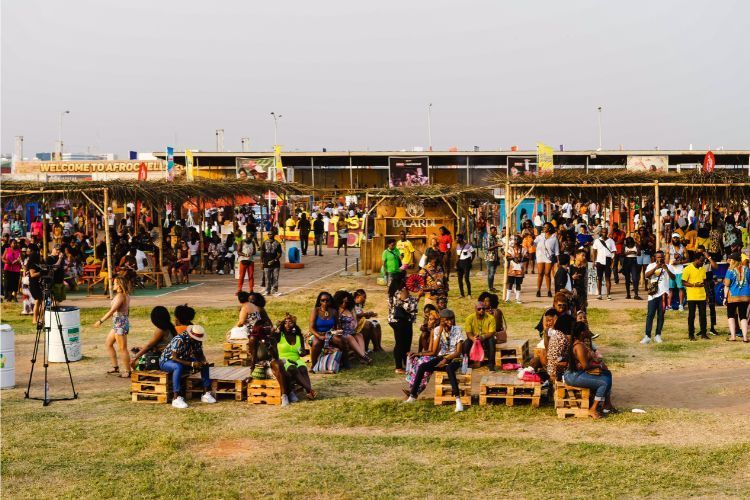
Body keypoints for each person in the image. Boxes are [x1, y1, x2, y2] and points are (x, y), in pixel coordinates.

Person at [403, 308, 466, 412]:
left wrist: (446, 360)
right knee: (423, 366)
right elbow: (434, 351)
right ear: (442, 320)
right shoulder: (437, 330)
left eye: (452, 319)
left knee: (450, 368)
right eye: (447, 320)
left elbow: (458, 352)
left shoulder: (458, 329)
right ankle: (413, 396)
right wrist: (440, 332)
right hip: (441, 357)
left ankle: (458, 401)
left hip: (455, 358)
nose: (450, 322)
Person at [563, 324, 615, 419]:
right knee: (604, 382)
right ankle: (593, 409)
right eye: (586, 329)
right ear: (582, 332)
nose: (588, 331)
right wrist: (598, 365)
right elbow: (585, 366)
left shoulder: (581, 343)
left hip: (578, 373)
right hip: (573, 376)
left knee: (608, 374)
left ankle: (607, 404)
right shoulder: (579, 346)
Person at [159, 324, 216, 409]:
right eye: (196, 338)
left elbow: (199, 353)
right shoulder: (179, 339)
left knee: (205, 365)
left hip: (184, 360)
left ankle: (205, 393)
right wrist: (191, 364)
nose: (198, 340)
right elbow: (174, 358)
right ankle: (176, 397)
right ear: (191, 335)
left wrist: (203, 361)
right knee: (178, 367)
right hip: (167, 361)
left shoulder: (197, 340)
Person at [93, 273, 133, 378]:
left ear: (119, 285)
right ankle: (115, 367)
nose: (112, 284)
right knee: (108, 343)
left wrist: (100, 321)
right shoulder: (123, 295)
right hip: (119, 322)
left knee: (122, 348)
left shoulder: (121, 296)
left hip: (120, 322)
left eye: (114, 283)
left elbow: (112, 310)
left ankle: (128, 371)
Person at [275, 313, 316, 400]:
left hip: (297, 359)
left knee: (303, 369)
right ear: (283, 324)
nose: (288, 324)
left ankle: (309, 392)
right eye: (285, 322)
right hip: (284, 359)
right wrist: (276, 326)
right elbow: (271, 335)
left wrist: (302, 352)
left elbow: (303, 353)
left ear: (294, 324)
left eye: (290, 322)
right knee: (292, 368)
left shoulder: (298, 336)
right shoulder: (279, 335)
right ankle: (310, 390)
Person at [641, 250, 675, 344]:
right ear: (655, 258)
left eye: (662, 257)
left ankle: (658, 335)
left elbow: (673, 278)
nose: (661, 258)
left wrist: (666, 269)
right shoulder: (651, 265)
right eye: (659, 257)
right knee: (650, 315)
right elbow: (646, 275)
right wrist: (656, 267)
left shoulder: (668, 266)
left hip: (664, 294)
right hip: (653, 294)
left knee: (661, 315)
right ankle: (647, 336)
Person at [130, 306, 177, 371]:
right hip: (169, 355)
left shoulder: (160, 330)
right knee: (141, 352)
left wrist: (135, 357)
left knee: (136, 362)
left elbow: (149, 346)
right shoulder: (170, 326)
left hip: (163, 357)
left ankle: (142, 373)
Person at [388, 279, 419, 373]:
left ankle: (403, 365)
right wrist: (417, 298)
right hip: (402, 321)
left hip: (395, 320)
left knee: (400, 343)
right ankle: (399, 366)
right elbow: (409, 307)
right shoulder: (403, 290)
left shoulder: (393, 291)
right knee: (403, 344)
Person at [334, 290, 372, 365]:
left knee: (359, 335)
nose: (344, 304)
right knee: (349, 337)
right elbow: (337, 326)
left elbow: (354, 322)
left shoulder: (350, 310)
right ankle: (364, 356)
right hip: (343, 333)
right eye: (343, 302)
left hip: (351, 331)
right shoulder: (336, 311)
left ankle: (361, 356)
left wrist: (353, 312)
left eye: (346, 302)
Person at [309, 291, 346, 368]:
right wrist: (319, 336)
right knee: (316, 344)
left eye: (327, 300)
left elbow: (338, 325)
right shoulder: (316, 311)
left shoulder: (334, 311)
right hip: (318, 333)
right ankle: (314, 365)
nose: (325, 302)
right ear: (319, 301)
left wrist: (338, 331)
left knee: (341, 341)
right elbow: (311, 328)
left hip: (330, 333)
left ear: (330, 301)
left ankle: (345, 362)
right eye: (323, 300)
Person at [463, 301, 497, 371]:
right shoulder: (469, 318)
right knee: (466, 343)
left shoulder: (491, 318)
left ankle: (491, 364)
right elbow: (468, 332)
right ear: (475, 309)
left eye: (483, 309)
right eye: (479, 309)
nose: (481, 310)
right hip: (474, 338)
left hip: (486, 337)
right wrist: (473, 339)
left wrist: (483, 337)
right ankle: (467, 363)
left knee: (492, 341)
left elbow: (491, 332)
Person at [723, 252, 749, 342]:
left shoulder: (730, 270)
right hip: (745, 296)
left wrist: (725, 298)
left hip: (733, 296)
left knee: (731, 315)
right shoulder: (746, 269)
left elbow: (727, 284)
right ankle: (745, 338)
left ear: (733, 261)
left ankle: (733, 336)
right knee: (743, 316)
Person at [682, 253, 709, 341]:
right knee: (691, 316)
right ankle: (691, 335)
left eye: (704, 261)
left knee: (703, 316)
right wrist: (694, 285)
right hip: (692, 296)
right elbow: (683, 282)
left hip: (702, 296)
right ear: (696, 259)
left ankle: (704, 333)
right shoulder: (687, 269)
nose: (702, 263)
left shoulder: (702, 269)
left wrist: (707, 295)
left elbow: (705, 282)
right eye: (701, 261)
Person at [534, 223, 559, 298]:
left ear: (550, 228)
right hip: (540, 256)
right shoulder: (540, 236)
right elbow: (534, 243)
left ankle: (549, 291)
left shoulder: (554, 238)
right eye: (543, 227)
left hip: (549, 257)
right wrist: (531, 241)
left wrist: (558, 261)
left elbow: (557, 250)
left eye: (546, 227)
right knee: (540, 273)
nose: (544, 228)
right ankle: (538, 290)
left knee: (547, 273)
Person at [592, 229, 616, 300]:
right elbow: (594, 251)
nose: (604, 233)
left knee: (608, 278)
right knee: (599, 278)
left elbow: (614, 251)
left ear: (607, 233)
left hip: (608, 260)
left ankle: (608, 294)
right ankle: (599, 294)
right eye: (603, 232)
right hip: (599, 261)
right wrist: (594, 261)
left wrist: (613, 261)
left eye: (606, 232)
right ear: (601, 233)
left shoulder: (611, 241)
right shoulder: (597, 241)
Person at [667, 233, 687, 311]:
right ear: (672, 239)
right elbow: (666, 260)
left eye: (677, 238)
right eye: (674, 238)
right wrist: (667, 269)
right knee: (670, 288)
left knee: (680, 288)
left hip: (680, 270)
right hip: (671, 270)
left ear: (679, 239)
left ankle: (681, 305)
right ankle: (669, 305)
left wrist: (679, 262)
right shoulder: (669, 248)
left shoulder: (683, 248)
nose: (675, 239)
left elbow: (687, 259)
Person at [505, 234, 526, 304]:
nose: (516, 241)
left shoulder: (523, 249)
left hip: (520, 269)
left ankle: (517, 299)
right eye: (515, 239)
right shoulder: (510, 248)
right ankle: (507, 298)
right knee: (510, 283)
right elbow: (507, 257)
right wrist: (514, 258)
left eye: (518, 239)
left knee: (518, 284)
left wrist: (521, 258)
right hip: (512, 269)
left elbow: (527, 257)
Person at [260, 230, 282, 296]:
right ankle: (267, 290)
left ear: (274, 235)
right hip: (266, 263)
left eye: (271, 234)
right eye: (269, 234)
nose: (270, 235)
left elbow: (279, 254)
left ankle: (274, 291)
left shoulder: (277, 243)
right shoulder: (264, 243)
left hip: (275, 264)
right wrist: (261, 263)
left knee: (275, 278)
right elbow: (262, 253)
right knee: (267, 278)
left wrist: (274, 260)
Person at [455, 233, 474, 298]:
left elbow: (473, 253)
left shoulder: (468, 246)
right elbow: (458, 256)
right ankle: (462, 294)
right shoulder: (457, 246)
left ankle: (469, 294)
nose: (456, 239)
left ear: (461, 238)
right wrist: (456, 264)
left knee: (466, 278)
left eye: (457, 238)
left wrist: (470, 261)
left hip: (466, 262)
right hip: (460, 263)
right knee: (459, 279)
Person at [485, 225, 501, 292]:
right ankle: (489, 287)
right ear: (491, 231)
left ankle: (491, 287)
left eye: (496, 230)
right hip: (490, 258)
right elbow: (488, 248)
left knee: (493, 273)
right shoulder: (488, 238)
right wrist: (497, 245)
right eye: (494, 231)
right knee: (490, 273)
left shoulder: (495, 238)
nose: (495, 232)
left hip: (495, 258)